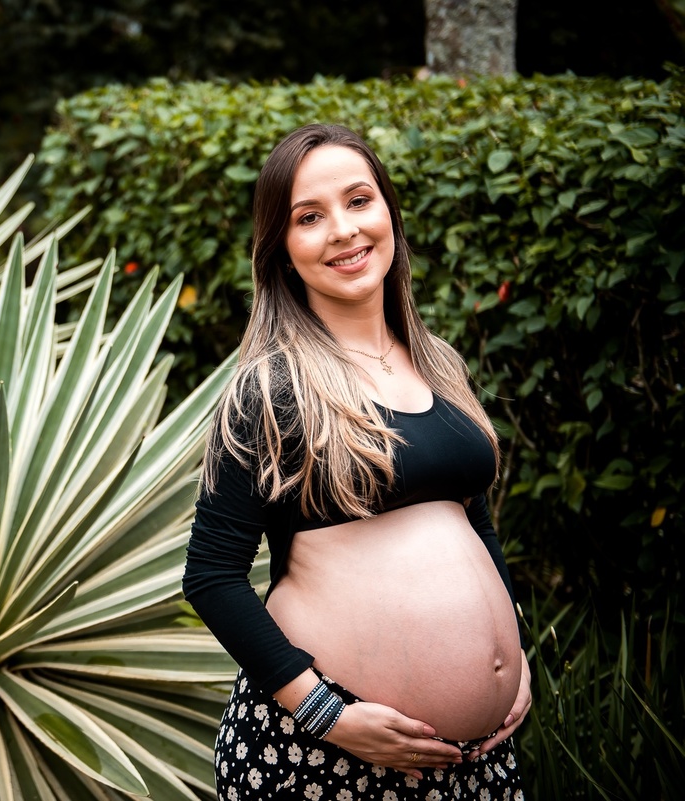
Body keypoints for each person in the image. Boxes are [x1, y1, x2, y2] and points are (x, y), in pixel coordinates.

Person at [182, 123, 530, 801]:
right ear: (282, 250)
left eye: (359, 201)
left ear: (389, 214)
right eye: (309, 217)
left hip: (478, 762)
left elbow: (477, 529)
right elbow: (212, 575)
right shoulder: (270, 390)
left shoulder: (441, 365)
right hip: (327, 761)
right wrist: (325, 713)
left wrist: (515, 655)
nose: (343, 230)